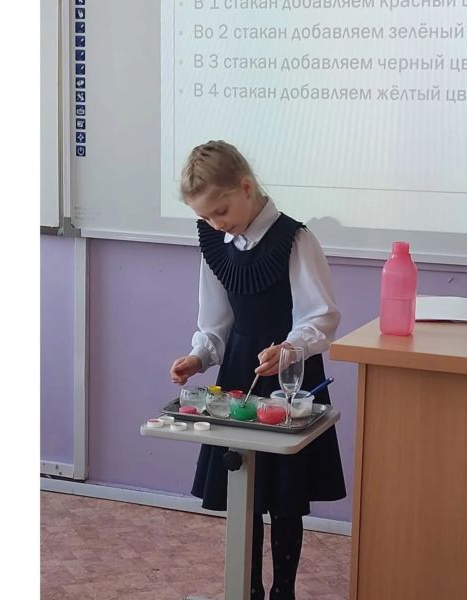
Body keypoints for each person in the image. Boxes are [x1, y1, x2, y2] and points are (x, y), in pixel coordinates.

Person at [170, 140, 346, 600]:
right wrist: (199, 356)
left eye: (221, 210)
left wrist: (289, 348)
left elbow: (321, 317)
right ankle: (246, 590)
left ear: (246, 188)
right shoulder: (214, 242)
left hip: (290, 378)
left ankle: (283, 591)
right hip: (238, 376)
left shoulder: (295, 239)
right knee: (241, 488)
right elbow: (216, 322)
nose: (216, 223)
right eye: (206, 216)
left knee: (286, 497)